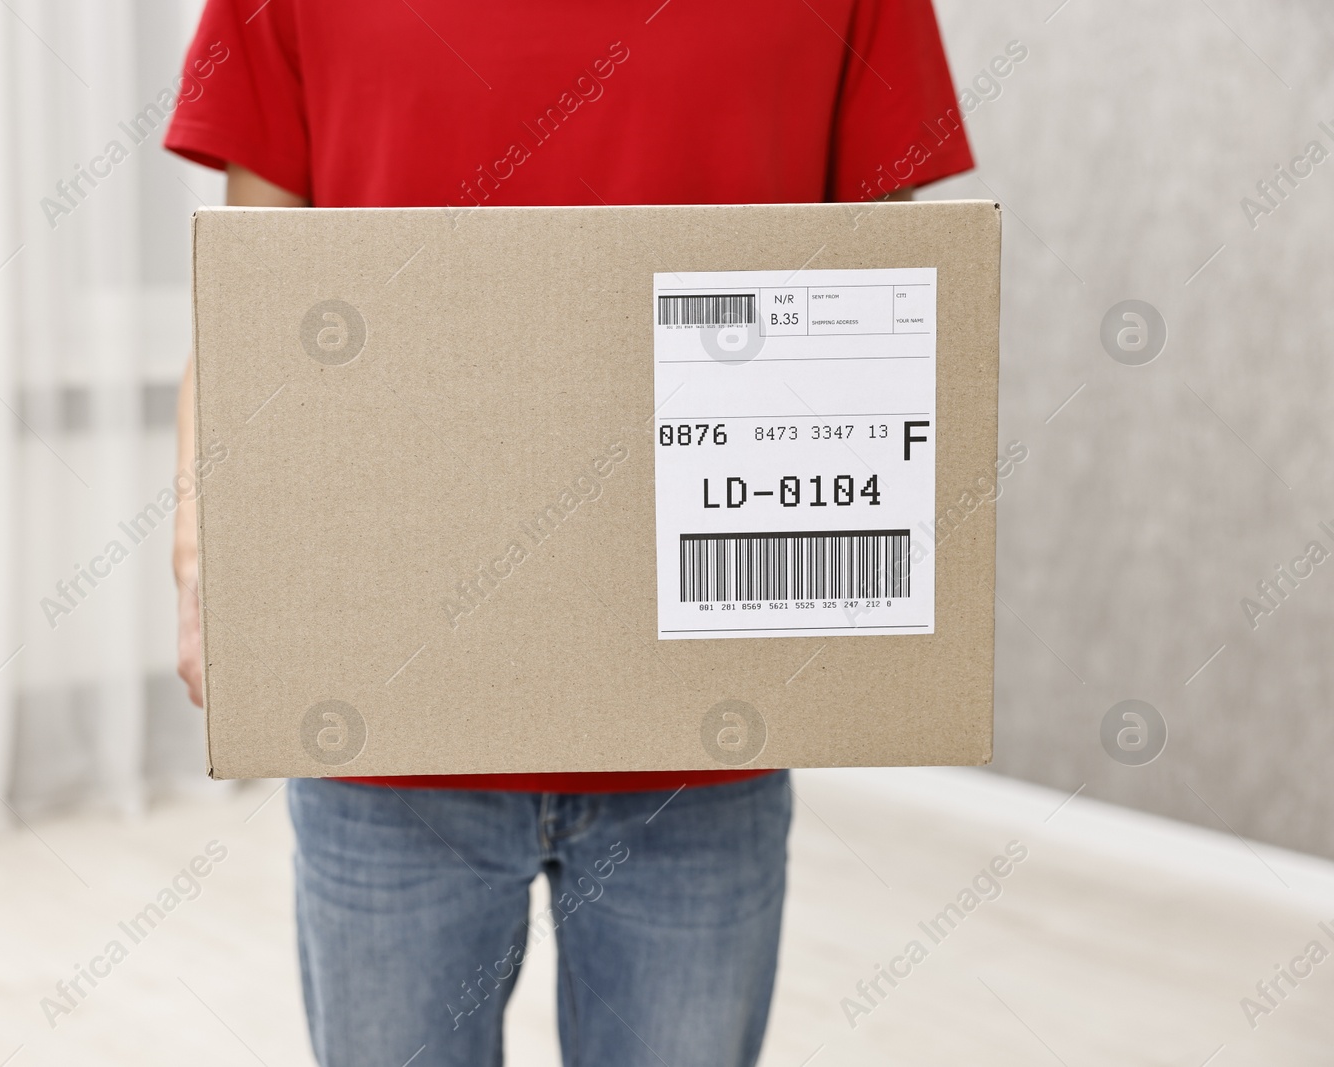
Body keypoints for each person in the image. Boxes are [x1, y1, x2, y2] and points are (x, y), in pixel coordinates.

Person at [164, 3, 973, 1063]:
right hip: (381, 716)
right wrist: (200, 547)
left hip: (700, 733)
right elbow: (251, 302)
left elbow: (875, 308)